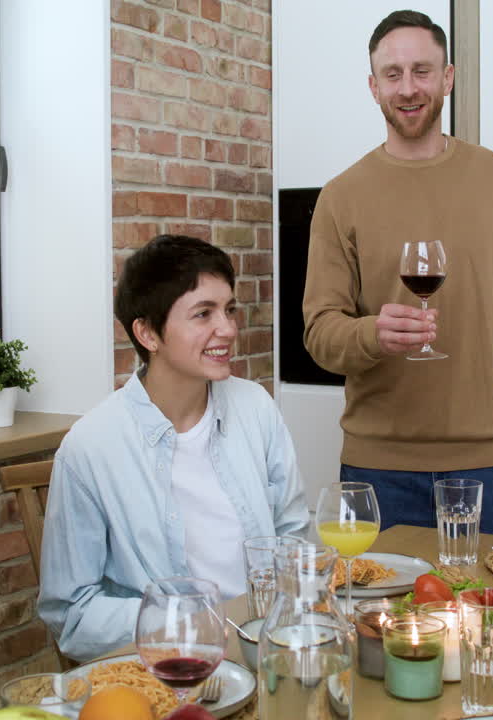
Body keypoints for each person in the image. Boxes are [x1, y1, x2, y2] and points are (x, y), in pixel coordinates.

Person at [301, 10, 493, 534]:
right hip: (375, 472)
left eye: (422, 70)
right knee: (367, 618)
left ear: (448, 78)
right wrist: (373, 334)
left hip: (480, 464)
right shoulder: (340, 197)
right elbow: (320, 335)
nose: (408, 87)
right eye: (393, 74)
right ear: (373, 87)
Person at [38, 235, 308, 661]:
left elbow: (294, 536)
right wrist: (186, 622)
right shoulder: (90, 448)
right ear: (147, 332)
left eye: (230, 309)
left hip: (269, 647)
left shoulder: (255, 406)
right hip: (168, 667)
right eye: (203, 314)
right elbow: (72, 613)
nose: (229, 328)